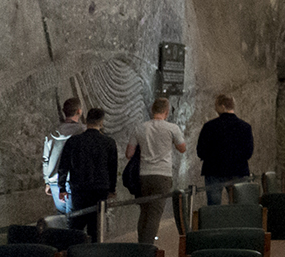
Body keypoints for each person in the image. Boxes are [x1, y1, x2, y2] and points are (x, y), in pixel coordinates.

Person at [54, 107, 120, 241]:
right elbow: (112, 168)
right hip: (100, 190)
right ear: (101, 122)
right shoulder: (109, 142)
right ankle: (93, 251)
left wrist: (62, 188)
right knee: (96, 227)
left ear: (86, 120)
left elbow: (63, 166)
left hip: (79, 189)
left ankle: (74, 250)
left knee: (76, 226)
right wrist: (111, 189)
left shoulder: (73, 141)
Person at [130, 96, 187, 245]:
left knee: (144, 210)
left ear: (152, 110)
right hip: (162, 174)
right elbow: (182, 148)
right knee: (155, 213)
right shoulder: (172, 128)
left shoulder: (140, 127)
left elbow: (129, 153)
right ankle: (147, 247)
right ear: (166, 112)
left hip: (144, 175)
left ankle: (141, 243)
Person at [195, 93, 255, 208]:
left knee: (214, 207)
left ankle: (216, 221)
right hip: (238, 170)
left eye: (216, 106)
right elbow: (248, 152)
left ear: (222, 107)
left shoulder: (209, 126)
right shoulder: (245, 127)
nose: (214, 109)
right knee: (239, 207)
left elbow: (200, 151)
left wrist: (213, 157)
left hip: (214, 170)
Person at [41, 97, 85, 214]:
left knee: (62, 218)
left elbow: (45, 159)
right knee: (74, 219)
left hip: (55, 182)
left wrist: (47, 181)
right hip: (74, 182)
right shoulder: (82, 132)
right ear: (79, 111)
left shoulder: (52, 134)